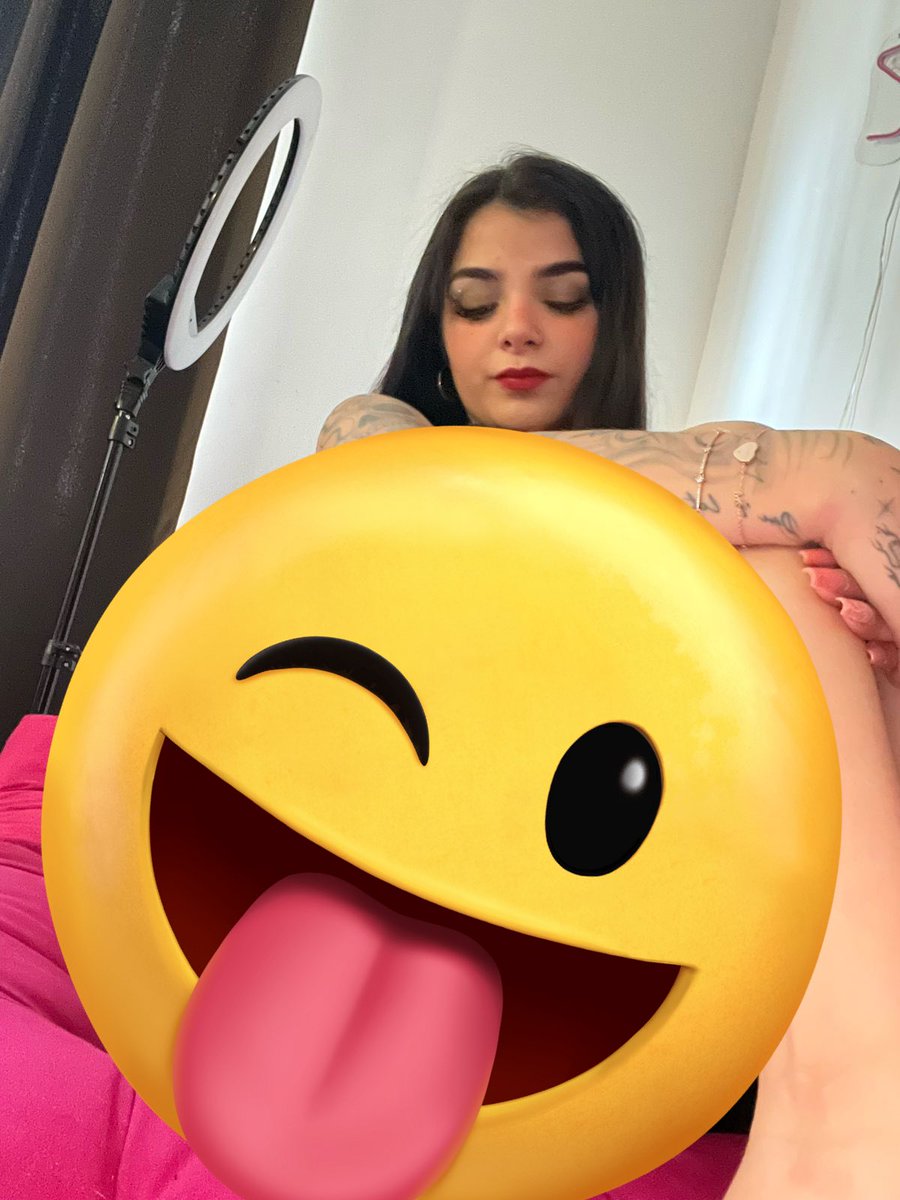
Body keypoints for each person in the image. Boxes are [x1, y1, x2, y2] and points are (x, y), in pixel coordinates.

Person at [316, 151, 900, 1199]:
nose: (517, 329)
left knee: (804, 585)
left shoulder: (698, 481)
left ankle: (840, 1098)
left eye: (564, 297)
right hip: (461, 904)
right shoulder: (378, 435)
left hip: (667, 916)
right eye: (475, 302)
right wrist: (806, 474)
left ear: (609, 319)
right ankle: (852, 1108)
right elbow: (409, 476)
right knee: (776, 555)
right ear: (437, 333)